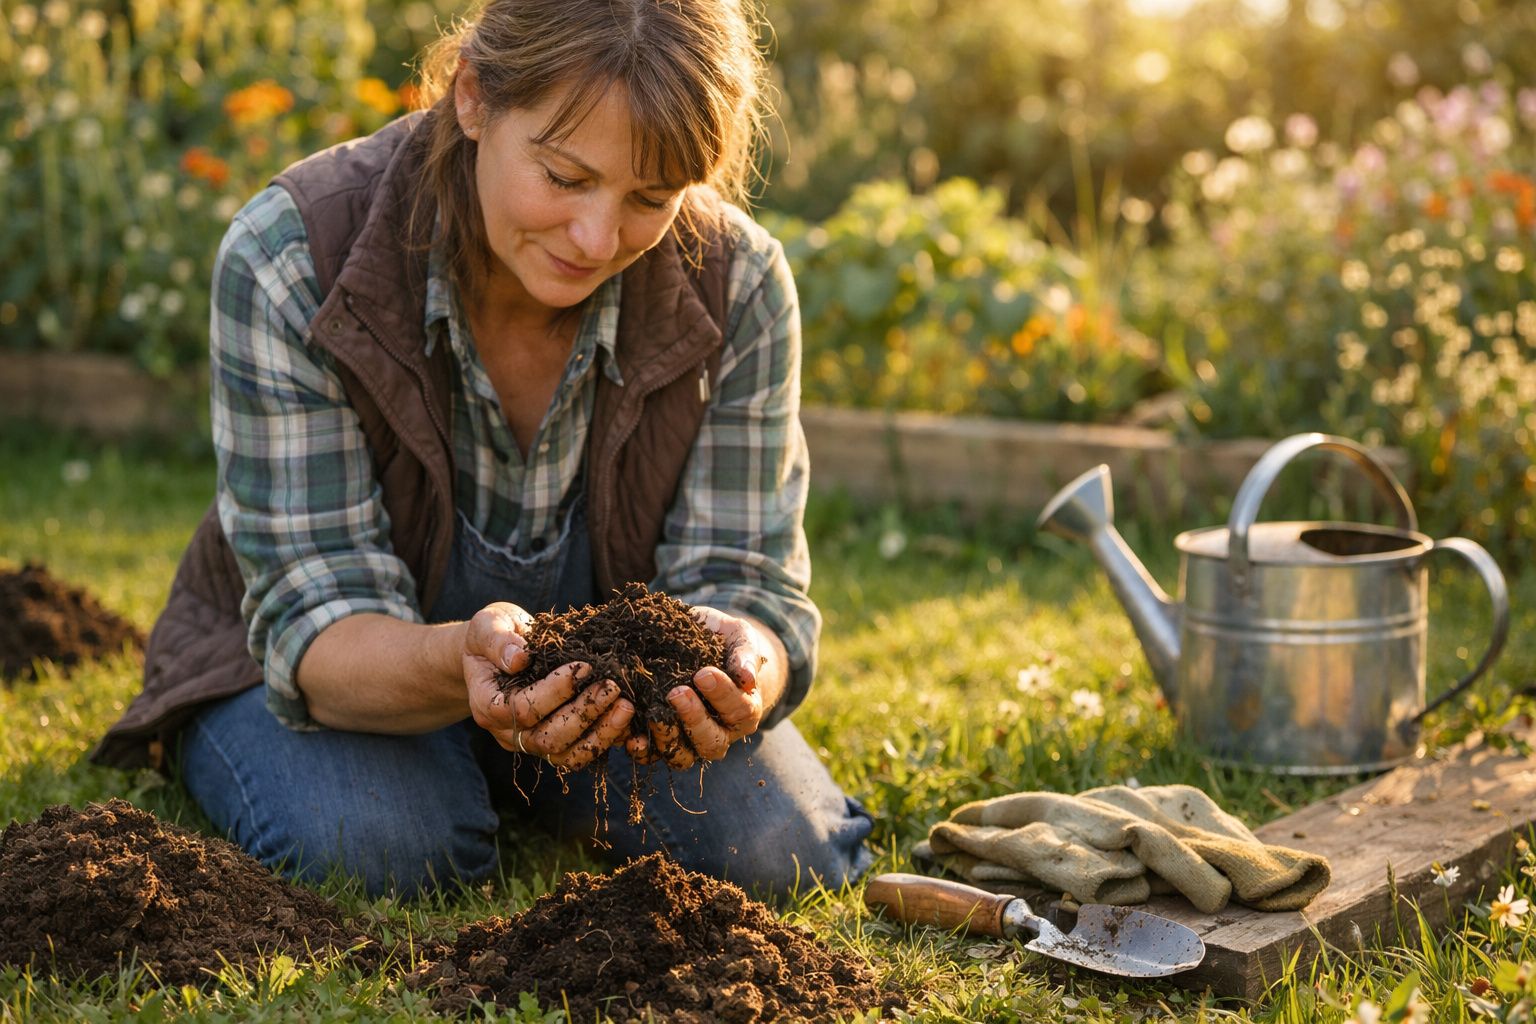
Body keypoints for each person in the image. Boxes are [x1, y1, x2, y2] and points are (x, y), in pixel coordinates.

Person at [92, 0, 874, 898]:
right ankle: (293, 753)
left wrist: (745, 663)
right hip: (342, 671)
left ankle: (527, 773)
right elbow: (319, 618)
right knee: (387, 848)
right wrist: (461, 660)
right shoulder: (292, 258)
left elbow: (745, 579)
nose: (597, 239)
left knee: (782, 852)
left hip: (598, 702)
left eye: (650, 199)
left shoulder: (738, 283)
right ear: (472, 97)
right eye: (564, 176)